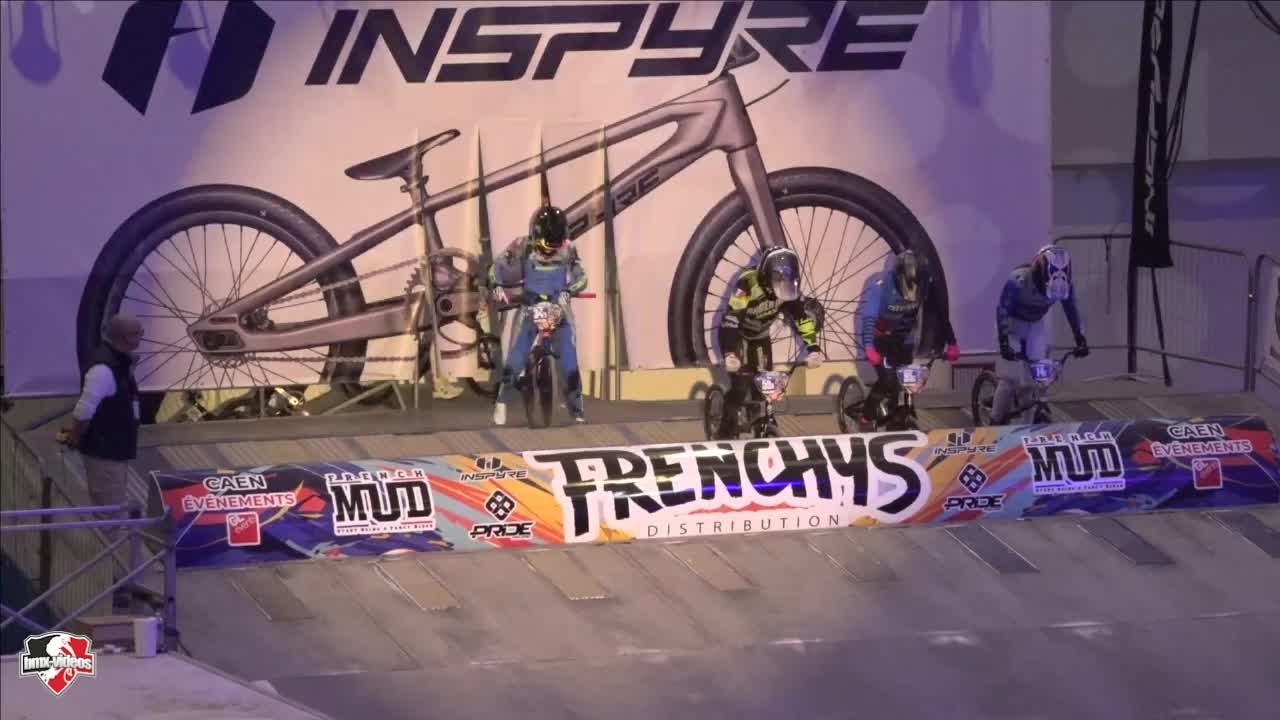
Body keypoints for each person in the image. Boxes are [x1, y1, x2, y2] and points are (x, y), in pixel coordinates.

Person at [58, 313, 144, 610]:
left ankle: (114, 579)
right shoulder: (103, 369)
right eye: (136, 333)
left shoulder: (118, 363)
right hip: (105, 454)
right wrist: (76, 437)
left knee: (112, 515)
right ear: (121, 337)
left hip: (114, 451)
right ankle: (109, 584)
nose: (141, 337)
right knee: (109, 519)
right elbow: (84, 411)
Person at [490, 205, 588, 426]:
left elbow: (582, 277)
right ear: (536, 237)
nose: (550, 252)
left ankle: (577, 409)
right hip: (530, 308)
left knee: (569, 361)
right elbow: (496, 267)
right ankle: (502, 401)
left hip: (558, 308)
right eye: (546, 246)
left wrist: (569, 290)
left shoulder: (569, 248)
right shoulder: (522, 245)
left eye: (556, 246)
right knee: (516, 358)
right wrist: (496, 285)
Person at [716, 246, 824, 438]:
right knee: (740, 387)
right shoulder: (747, 283)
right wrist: (730, 353)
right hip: (737, 335)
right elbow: (731, 319)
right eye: (778, 287)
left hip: (760, 338)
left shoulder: (788, 287)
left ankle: (759, 424)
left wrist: (814, 349)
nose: (781, 293)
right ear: (766, 279)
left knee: (766, 388)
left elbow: (802, 319)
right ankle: (724, 431)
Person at [851, 250, 960, 430]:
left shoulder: (926, 285)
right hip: (880, 338)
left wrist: (952, 343)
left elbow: (940, 316)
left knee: (909, 380)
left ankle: (902, 414)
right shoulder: (881, 285)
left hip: (904, 338)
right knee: (888, 382)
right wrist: (869, 347)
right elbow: (869, 319)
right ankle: (866, 415)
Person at [991, 244, 1089, 424]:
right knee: (1010, 379)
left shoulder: (1065, 285)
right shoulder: (1018, 280)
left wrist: (1080, 337)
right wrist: (1004, 341)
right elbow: (1003, 310)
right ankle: (994, 420)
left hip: (1035, 324)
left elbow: (1071, 309)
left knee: (1036, 378)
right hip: (1012, 324)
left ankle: (1028, 425)